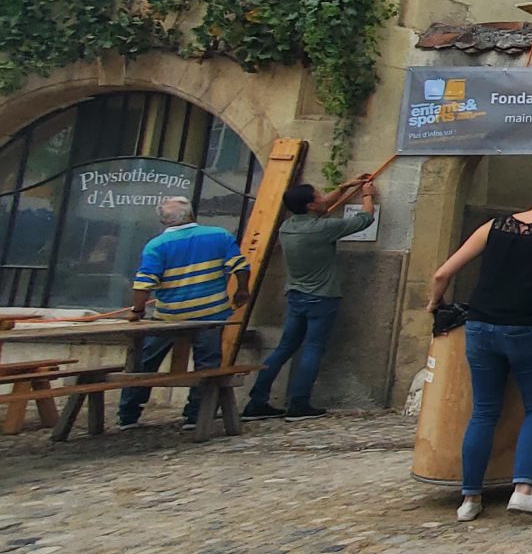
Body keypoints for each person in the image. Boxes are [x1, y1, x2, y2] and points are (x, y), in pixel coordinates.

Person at [432, 167, 532, 522]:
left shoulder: (494, 226)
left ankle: (469, 499)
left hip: (482, 325)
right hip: (528, 327)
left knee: (484, 410)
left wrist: (433, 302)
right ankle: (523, 490)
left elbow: (442, 272)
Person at [244, 176, 378, 418]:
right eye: (317, 196)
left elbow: (323, 205)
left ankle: (257, 400)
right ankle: (299, 403)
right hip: (322, 297)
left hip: (296, 295)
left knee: (284, 348)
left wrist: (344, 187)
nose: (321, 198)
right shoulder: (323, 228)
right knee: (313, 348)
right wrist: (367, 194)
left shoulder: (287, 227)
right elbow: (365, 219)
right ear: (310, 205)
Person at [117, 196, 249, 430]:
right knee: (207, 364)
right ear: (191, 214)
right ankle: (196, 415)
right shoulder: (218, 235)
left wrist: (137, 311)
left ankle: (128, 414)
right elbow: (241, 266)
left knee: (145, 362)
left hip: (170, 315)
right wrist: (241, 290)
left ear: (163, 221)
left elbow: (143, 284)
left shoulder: (156, 245)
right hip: (211, 313)